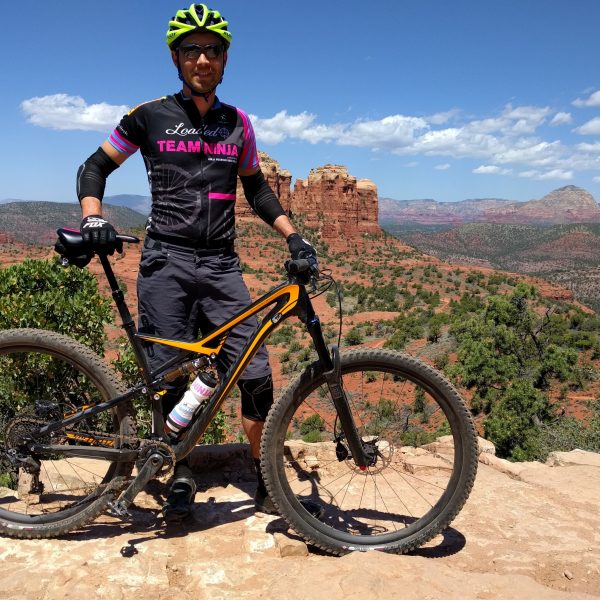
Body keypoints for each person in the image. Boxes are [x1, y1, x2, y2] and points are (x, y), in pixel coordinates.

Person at [77, 3, 318, 522]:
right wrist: (93, 216)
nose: (202, 59)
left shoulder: (239, 124)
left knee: (255, 372)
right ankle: (178, 468)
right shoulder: (149, 116)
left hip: (221, 266)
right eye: (191, 50)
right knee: (168, 375)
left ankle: (266, 475)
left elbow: (257, 189)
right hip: (165, 262)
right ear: (176, 58)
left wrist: (293, 237)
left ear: (225, 58)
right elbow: (94, 166)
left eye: (212, 50)